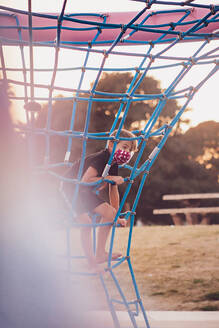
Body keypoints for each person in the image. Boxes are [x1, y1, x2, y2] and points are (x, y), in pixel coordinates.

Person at [62, 129, 138, 272]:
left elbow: (113, 189)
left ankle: (100, 253)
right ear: (111, 144)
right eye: (125, 148)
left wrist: (115, 216)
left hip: (84, 191)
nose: (127, 154)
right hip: (70, 188)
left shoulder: (113, 162)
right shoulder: (101, 158)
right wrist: (108, 178)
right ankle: (91, 264)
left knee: (109, 213)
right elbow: (85, 180)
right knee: (87, 223)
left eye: (130, 151)